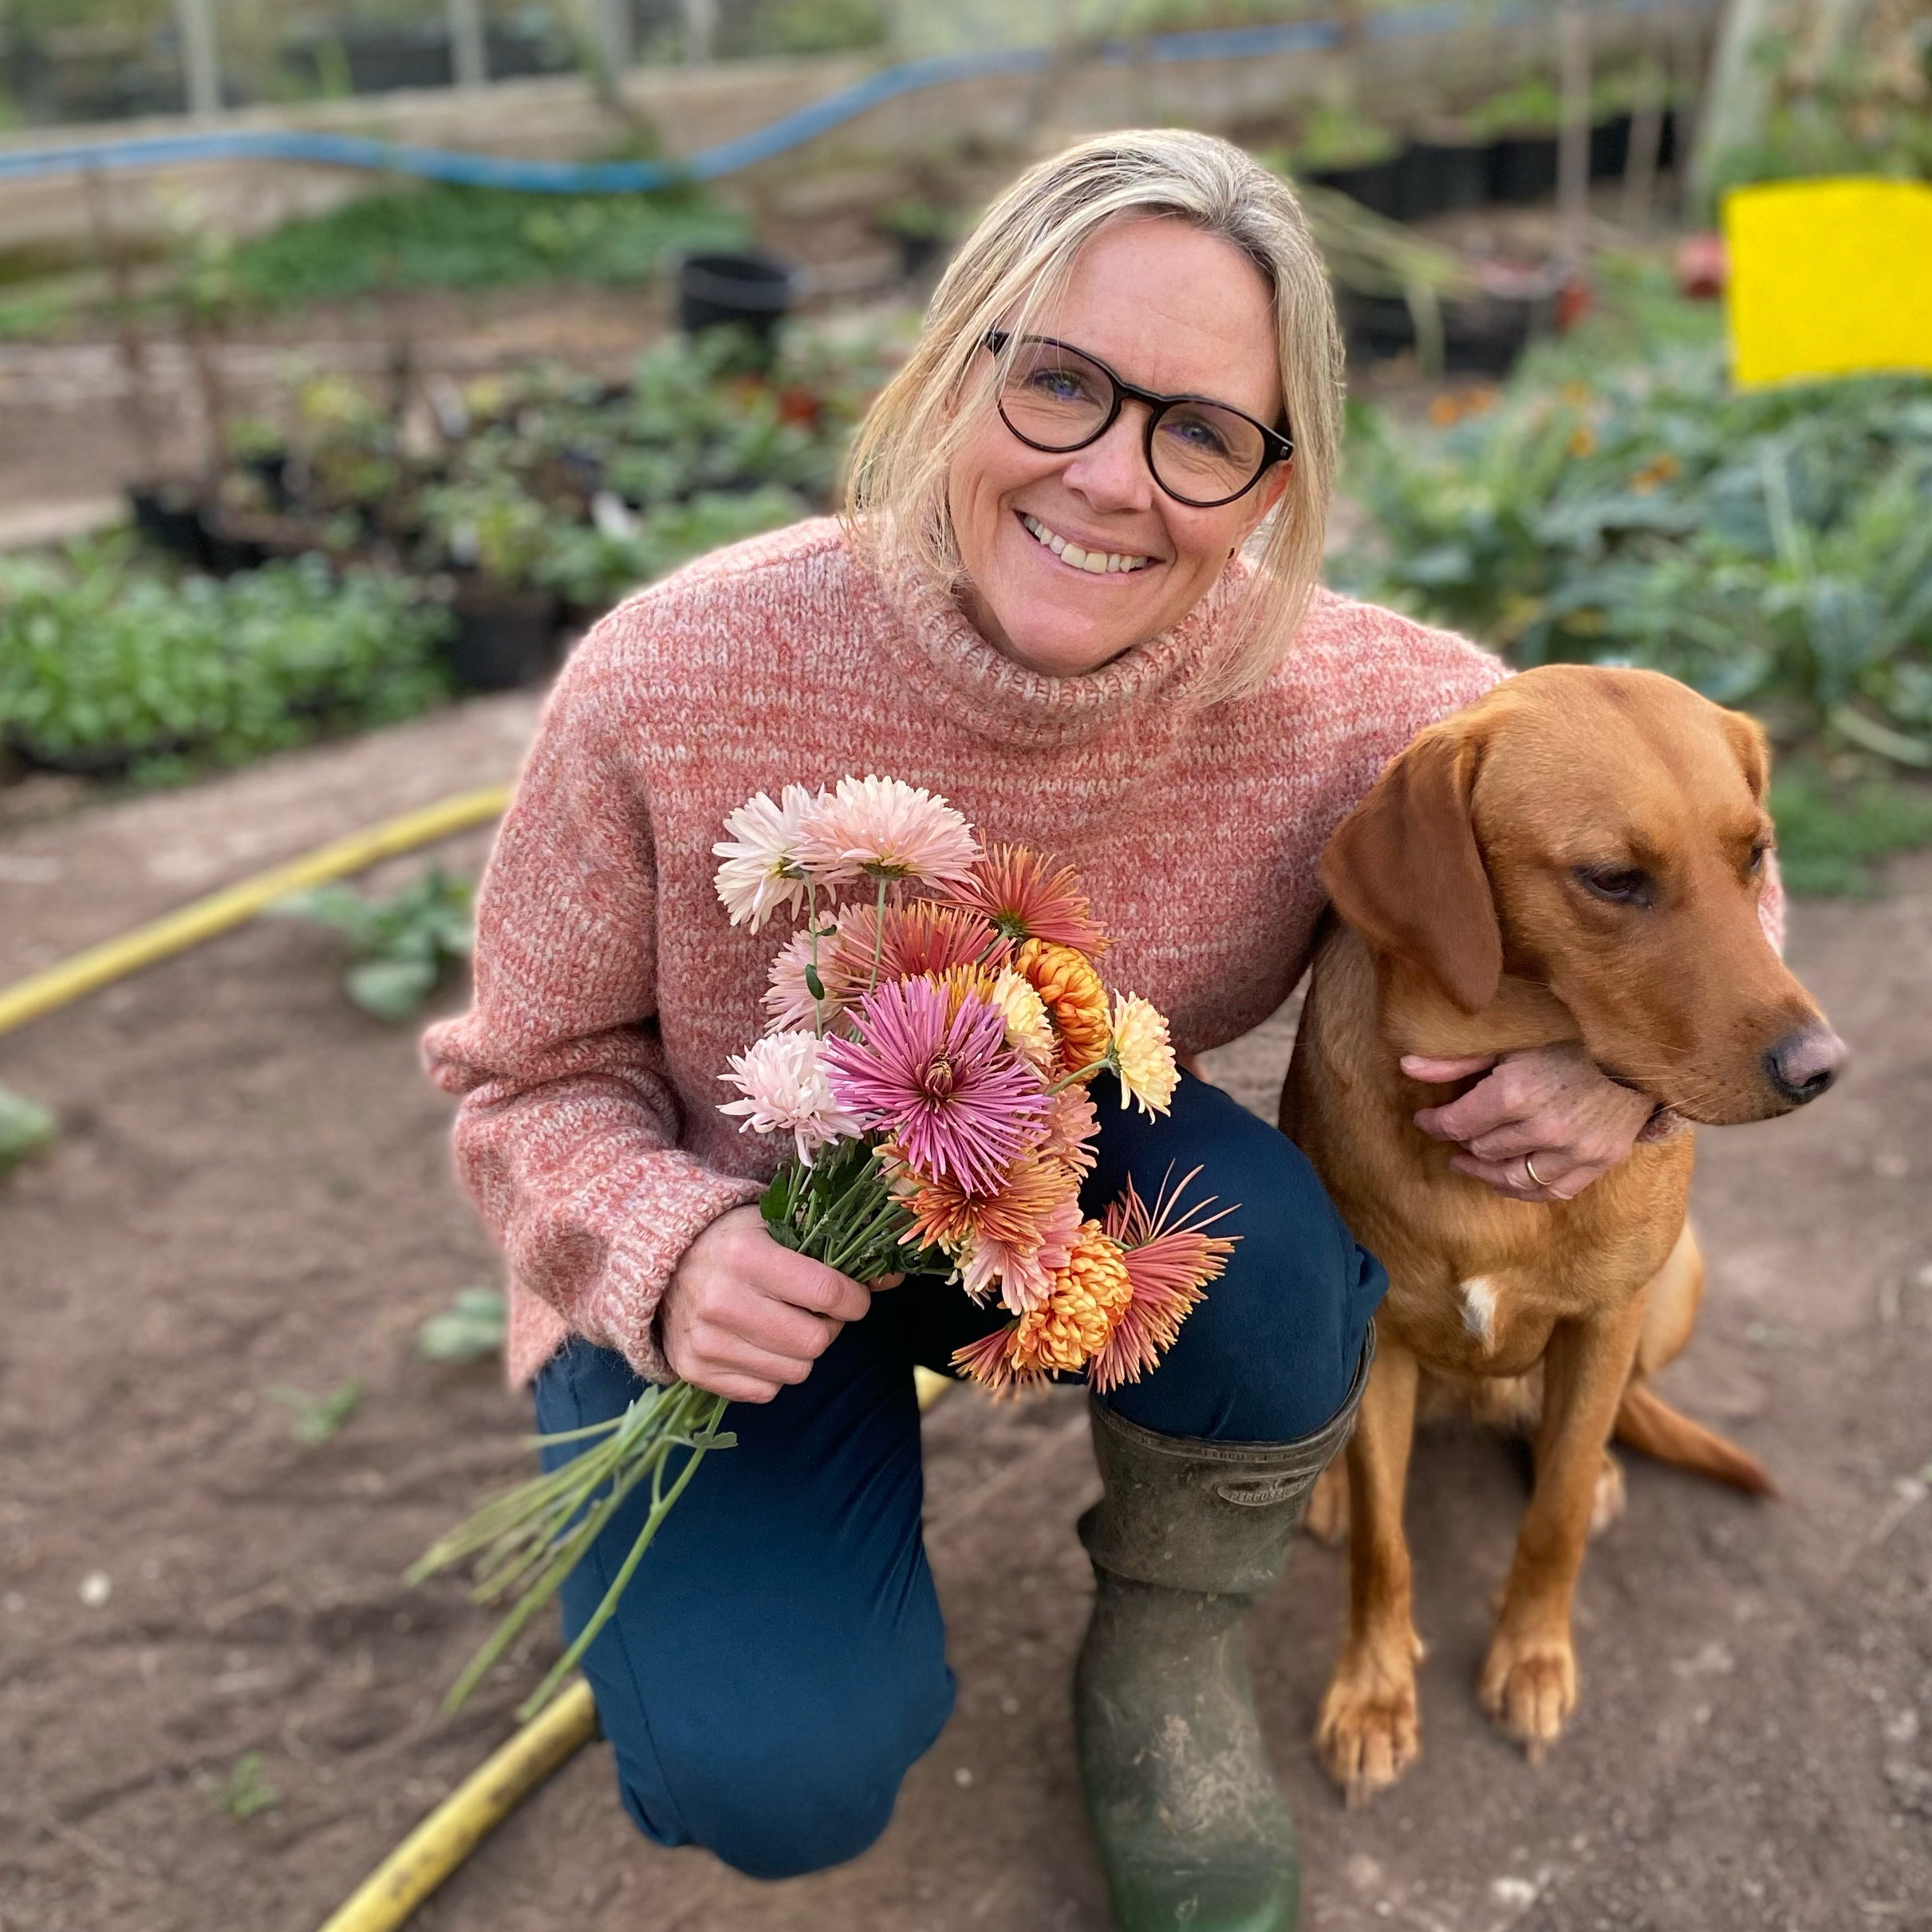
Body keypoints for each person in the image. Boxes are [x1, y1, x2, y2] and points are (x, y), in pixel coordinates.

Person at [424, 129, 1669, 1930]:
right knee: (773, 1769)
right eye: (1064, 381)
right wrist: (659, 1245)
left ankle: (1163, 1659)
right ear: (957, 360)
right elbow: (522, 1081)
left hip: (1042, 1197)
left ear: (1271, 481)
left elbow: (1687, 834)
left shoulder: (1341, 698)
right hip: (735, 1244)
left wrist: (1616, 1068)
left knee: (1269, 1259)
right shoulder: (676, 673)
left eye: (1201, 432)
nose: (1108, 477)